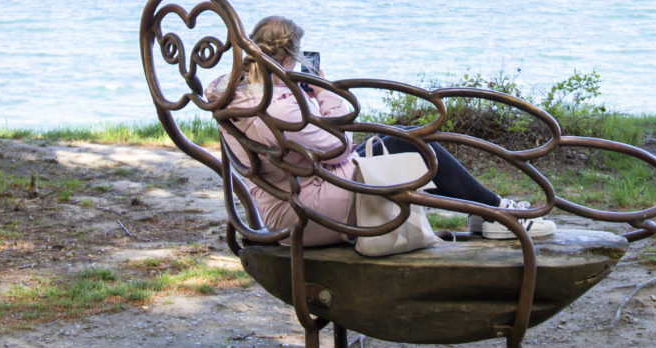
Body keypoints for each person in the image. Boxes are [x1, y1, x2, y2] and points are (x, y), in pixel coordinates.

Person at [208, 14, 555, 246]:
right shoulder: (280, 105)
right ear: (287, 60)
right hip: (307, 211)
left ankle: (486, 212)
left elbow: (319, 150)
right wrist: (323, 89)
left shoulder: (235, 92)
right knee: (417, 147)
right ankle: (499, 214)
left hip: (297, 192)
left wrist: (302, 92)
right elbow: (339, 145)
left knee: (401, 137)